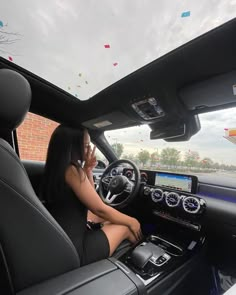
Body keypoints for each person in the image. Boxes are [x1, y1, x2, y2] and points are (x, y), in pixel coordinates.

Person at [43, 125, 142, 266]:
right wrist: (133, 222)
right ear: (72, 147)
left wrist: (88, 169)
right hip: (76, 251)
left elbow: (92, 202)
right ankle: (138, 263)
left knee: (110, 219)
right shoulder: (72, 171)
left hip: (62, 241)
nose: (89, 150)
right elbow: (99, 208)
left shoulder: (56, 169)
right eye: (85, 146)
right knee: (127, 227)